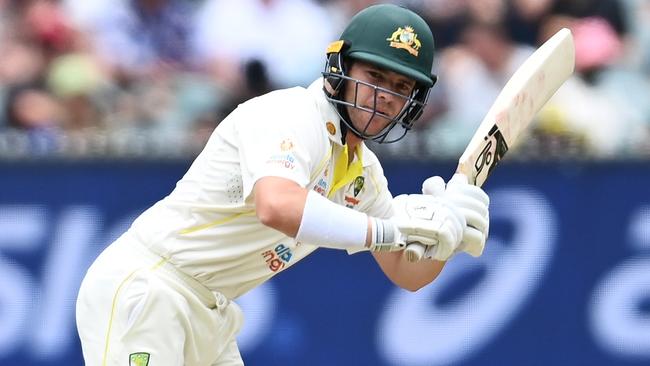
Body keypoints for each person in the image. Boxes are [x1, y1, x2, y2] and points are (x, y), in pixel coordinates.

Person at [75, 4, 490, 366]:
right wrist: (390, 230)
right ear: (340, 69)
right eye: (375, 76)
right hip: (152, 286)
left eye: (401, 87)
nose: (384, 96)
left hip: (211, 310)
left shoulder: (363, 172)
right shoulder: (290, 114)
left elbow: (407, 273)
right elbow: (276, 205)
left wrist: (447, 233)